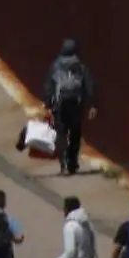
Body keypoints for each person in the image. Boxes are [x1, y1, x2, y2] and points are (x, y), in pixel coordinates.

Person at [42, 39, 98, 176]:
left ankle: (64, 163)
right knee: (75, 134)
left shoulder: (55, 65)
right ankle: (72, 161)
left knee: (61, 134)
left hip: (60, 105)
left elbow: (49, 86)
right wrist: (92, 104)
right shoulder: (80, 66)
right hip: (75, 105)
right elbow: (88, 85)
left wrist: (48, 104)